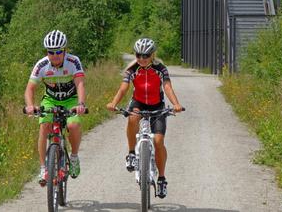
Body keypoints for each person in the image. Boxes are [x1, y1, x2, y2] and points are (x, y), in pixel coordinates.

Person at [106, 37, 183, 198]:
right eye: (138, 55)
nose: (141, 59)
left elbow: (167, 86)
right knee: (132, 118)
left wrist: (176, 104)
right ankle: (132, 153)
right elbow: (123, 88)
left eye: (145, 56)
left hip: (157, 105)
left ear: (153, 55)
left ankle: (161, 179)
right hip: (138, 102)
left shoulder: (161, 69)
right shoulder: (132, 69)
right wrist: (114, 102)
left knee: (159, 141)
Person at [25, 29, 87, 186]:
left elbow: (80, 84)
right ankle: (43, 168)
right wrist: (30, 106)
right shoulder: (42, 65)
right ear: (47, 52)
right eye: (51, 52)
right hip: (50, 100)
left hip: (70, 100)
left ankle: (73, 157)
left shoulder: (73, 62)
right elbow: (30, 89)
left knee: (73, 125)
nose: (55, 55)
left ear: (64, 50)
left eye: (59, 51)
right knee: (44, 126)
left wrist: (80, 104)